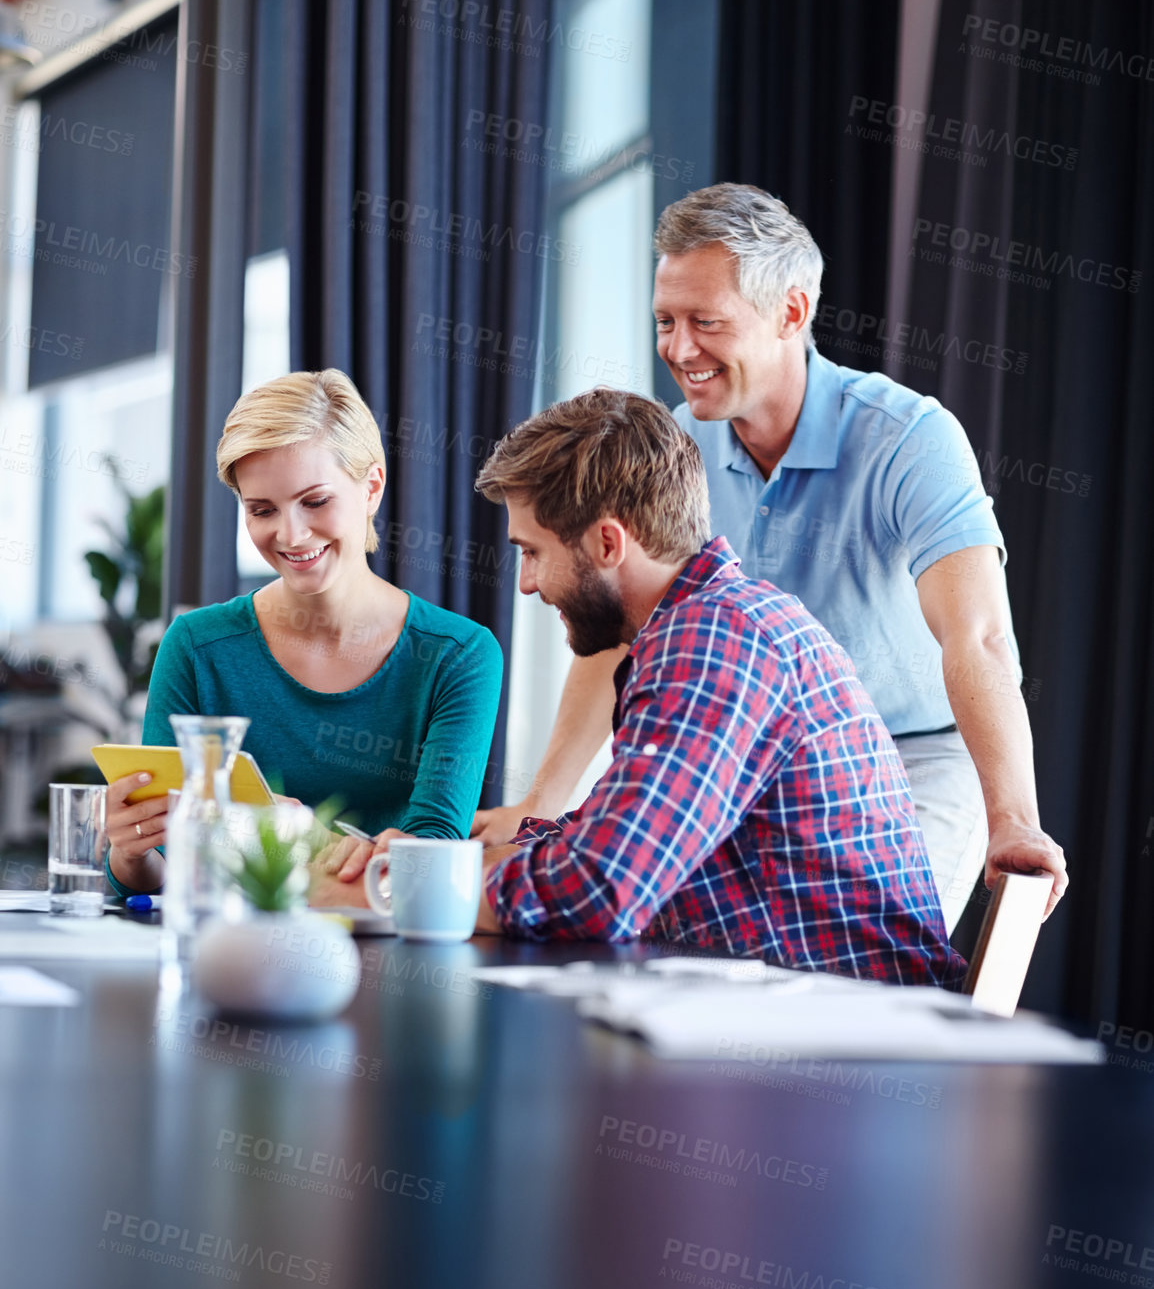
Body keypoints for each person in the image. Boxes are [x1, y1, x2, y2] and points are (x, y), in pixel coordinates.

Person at [471, 184, 1066, 934]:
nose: (678, 350)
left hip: (912, 756)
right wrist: (541, 805)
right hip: (751, 758)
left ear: (791, 312)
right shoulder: (677, 448)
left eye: (706, 322)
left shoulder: (909, 438)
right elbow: (617, 616)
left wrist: (1013, 817)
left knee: (847, 964)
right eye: (665, 321)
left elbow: (976, 637)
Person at [331, 388, 965, 986]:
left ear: (608, 542)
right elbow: (620, 836)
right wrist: (465, 853)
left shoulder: (716, 644)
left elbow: (601, 891)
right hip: (796, 1014)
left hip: (842, 1042)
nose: (526, 584)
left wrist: (399, 886)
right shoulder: (709, 624)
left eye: (533, 552)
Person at [104, 368, 502, 896]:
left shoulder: (459, 655)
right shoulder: (198, 647)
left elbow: (430, 855)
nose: (290, 535)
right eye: (262, 510)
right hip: (228, 952)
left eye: (315, 501)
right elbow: (165, 865)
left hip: (392, 958)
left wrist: (293, 842)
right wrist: (129, 854)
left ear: (371, 488)